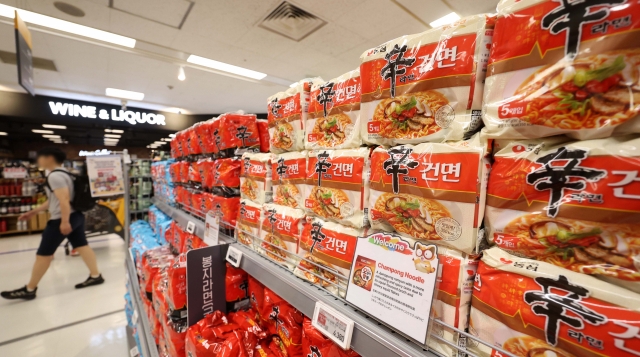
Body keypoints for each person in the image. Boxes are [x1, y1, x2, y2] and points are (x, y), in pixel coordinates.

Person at [1, 147, 104, 300]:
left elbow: (63, 200)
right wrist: (34, 212)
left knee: (43, 254)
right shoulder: (67, 174)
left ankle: (29, 289)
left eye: (41, 157)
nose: (39, 160)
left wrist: (64, 222)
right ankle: (96, 276)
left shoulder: (55, 177)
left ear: (49, 158)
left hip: (62, 219)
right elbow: (55, 199)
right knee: (82, 246)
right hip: (77, 215)